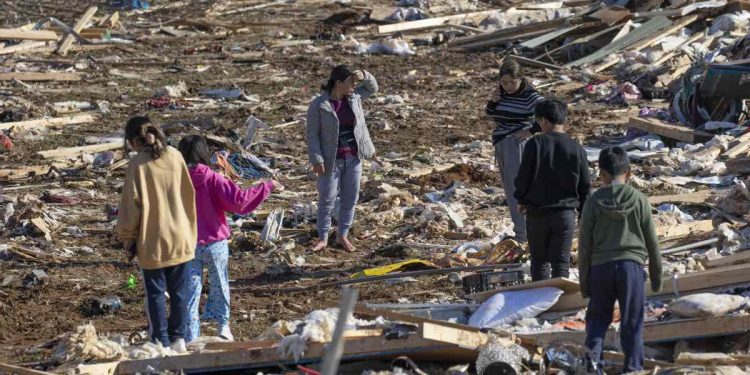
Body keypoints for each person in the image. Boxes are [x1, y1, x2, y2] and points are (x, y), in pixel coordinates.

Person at [178, 135, 283, 343]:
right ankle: (223, 326)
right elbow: (239, 203)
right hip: (215, 243)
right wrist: (266, 187)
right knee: (220, 284)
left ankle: (190, 336)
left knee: (190, 291)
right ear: (203, 153)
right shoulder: (214, 178)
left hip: (188, 244)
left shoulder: (177, 182)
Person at [578, 146, 662, 373]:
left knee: (596, 321)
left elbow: (584, 246)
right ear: (630, 172)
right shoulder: (639, 199)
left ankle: (591, 366)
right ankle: (633, 368)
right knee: (632, 321)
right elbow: (652, 242)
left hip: (601, 269)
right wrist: (656, 277)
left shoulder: (593, 202)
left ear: (601, 173)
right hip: (631, 267)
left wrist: (584, 283)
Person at [116, 116, 196, 353]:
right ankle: (179, 338)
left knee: (156, 293)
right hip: (181, 235)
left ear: (132, 141)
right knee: (181, 291)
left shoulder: (138, 165)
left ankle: (160, 339)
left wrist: (127, 238)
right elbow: (188, 194)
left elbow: (131, 206)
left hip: (153, 239)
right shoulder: (175, 156)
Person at [514, 99, 591, 281]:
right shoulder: (577, 148)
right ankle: (560, 303)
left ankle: (540, 304)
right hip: (565, 215)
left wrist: (521, 199)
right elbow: (585, 186)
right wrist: (583, 214)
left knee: (539, 262)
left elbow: (523, 177)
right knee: (561, 263)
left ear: (544, 121)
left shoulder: (535, 144)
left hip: (537, 214)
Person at [306, 64, 378, 252]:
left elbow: (373, 88)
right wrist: (316, 159)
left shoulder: (354, 99)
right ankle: (322, 237)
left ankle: (342, 235)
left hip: (353, 158)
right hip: (331, 161)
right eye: (350, 82)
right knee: (327, 199)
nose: (354, 86)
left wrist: (364, 74)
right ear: (338, 83)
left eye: (355, 82)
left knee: (350, 199)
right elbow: (312, 134)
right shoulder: (319, 105)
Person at [486, 58, 544, 243]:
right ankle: (523, 231)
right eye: (504, 82)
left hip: (517, 144)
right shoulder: (501, 94)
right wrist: (492, 102)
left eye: (512, 82)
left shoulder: (529, 96)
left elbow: (552, 112)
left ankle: (524, 234)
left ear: (521, 79)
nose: (508, 86)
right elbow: (491, 115)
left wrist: (532, 130)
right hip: (502, 142)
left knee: (518, 190)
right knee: (510, 189)